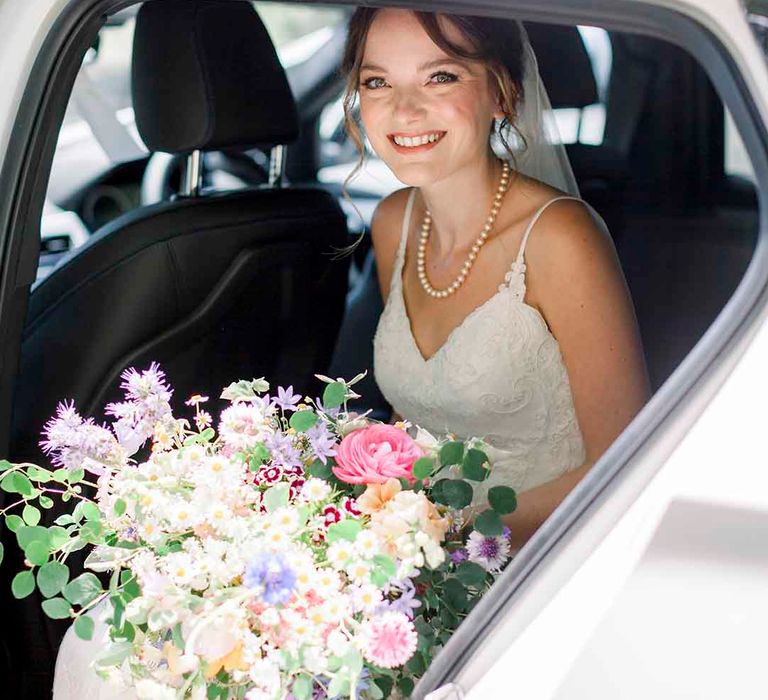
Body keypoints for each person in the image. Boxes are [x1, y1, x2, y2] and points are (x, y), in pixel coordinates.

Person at [342, 8, 650, 551]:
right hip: (416, 565)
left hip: (543, 563)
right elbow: (413, 416)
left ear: (501, 93)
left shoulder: (560, 238)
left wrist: (448, 540)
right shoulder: (395, 222)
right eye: (377, 81)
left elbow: (626, 464)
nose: (404, 109)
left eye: (440, 76)